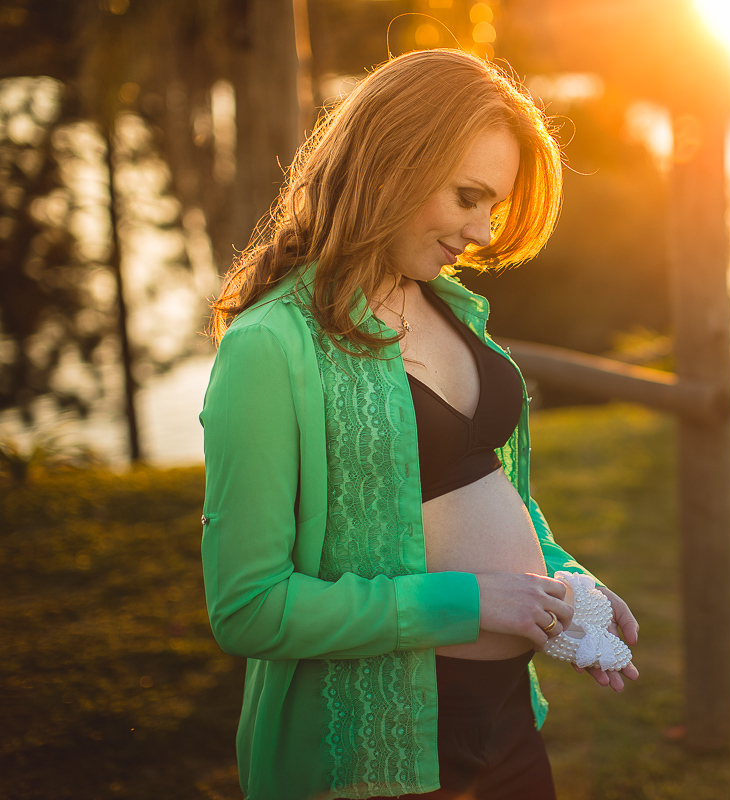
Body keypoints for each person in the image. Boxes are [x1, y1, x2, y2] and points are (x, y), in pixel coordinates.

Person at [199, 48, 639, 800]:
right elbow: (249, 609)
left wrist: (561, 579)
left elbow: (479, 483)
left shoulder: (451, 308)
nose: (484, 232)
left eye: (493, 206)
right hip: (377, 757)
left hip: (507, 725)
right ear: (393, 162)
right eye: (469, 197)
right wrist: (470, 602)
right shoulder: (271, 347)